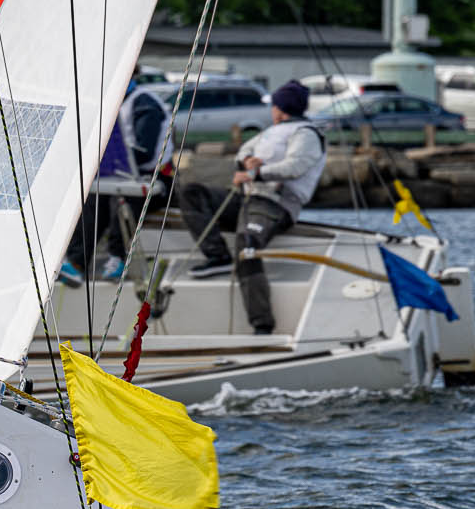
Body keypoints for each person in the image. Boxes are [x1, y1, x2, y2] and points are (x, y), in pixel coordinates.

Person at [176, 80, 325, 336]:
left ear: (280, 108)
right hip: (247, 198)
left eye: (273, 106)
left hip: (275, 203)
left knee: (247, 245)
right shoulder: (271, 131)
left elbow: (295, 167)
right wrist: (246, 161)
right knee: (192, 193)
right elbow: (244, 150)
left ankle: (262, 325)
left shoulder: (306, 134)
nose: (271, 111)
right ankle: (218, 256)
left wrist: (256, 172)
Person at [65, 83, 174, 285]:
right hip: (122, 176)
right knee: (93, 198)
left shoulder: (144, 103)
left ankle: (117, 257)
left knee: (125, 198)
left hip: (156, 179)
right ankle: (76, 261)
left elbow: (145, 152)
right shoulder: (111, 102)